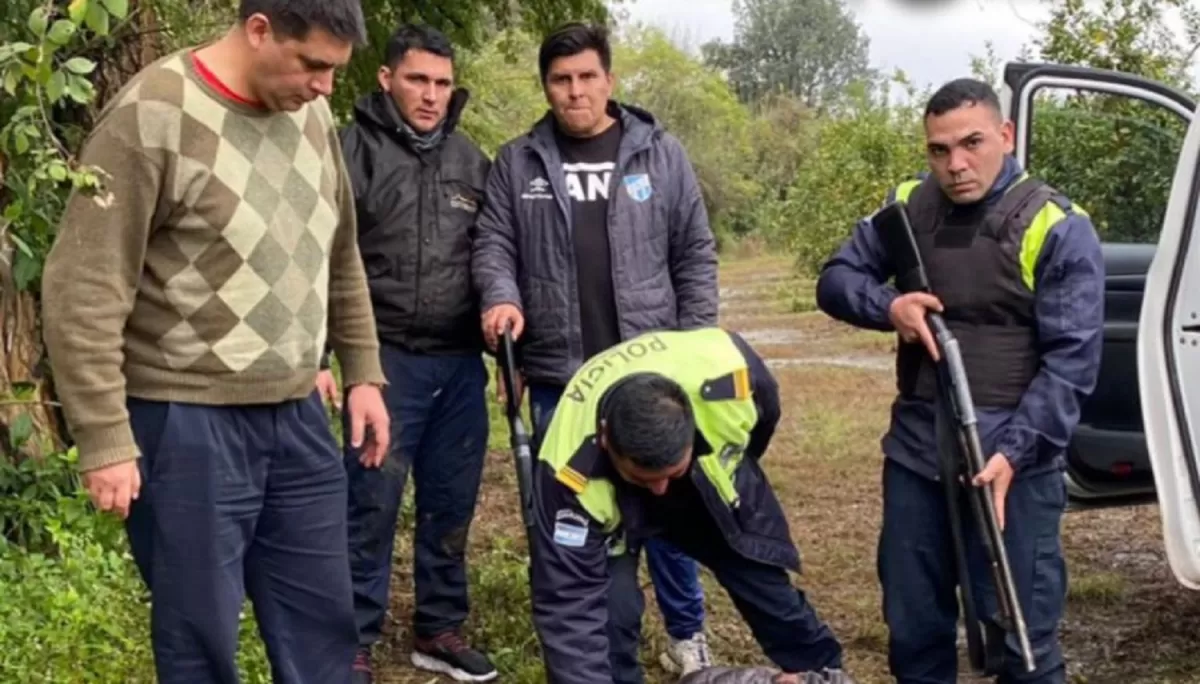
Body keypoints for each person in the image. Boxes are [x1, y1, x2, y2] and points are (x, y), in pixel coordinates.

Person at [40, 2, 391, 683]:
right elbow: (83, 290)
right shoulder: (152, 116)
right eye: (313, 64)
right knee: (197, 634)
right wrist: (105, 437)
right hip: (184, 418)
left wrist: (365, 373)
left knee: (324, 623)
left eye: (334, 70)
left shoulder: (312, 115)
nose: (324, 86)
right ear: (258, 29)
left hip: (297, 414)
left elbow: (339, 253)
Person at [815, 78, 1104, 684]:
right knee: (915, 630)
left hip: (1009, 466)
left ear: (1006, 135)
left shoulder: (1056, 224)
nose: (956, 164)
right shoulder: (907, 207)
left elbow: (1071, 366)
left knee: (1022, 639)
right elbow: (837, 278)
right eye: (939, 150)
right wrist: (887, 306)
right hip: (919, 453)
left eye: (972, 143)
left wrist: (1014, 455)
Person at [471, 22, 721, 675]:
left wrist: (694, 348)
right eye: (561, 80)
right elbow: (494, 246)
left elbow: (694, 253)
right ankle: (597, 642)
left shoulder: (661, 156)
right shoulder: (517, 161)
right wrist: (502, 300)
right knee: (578, 521)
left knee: (669, 507)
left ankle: (687, 632)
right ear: (546, 86)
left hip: (652, 376)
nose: (574, 92)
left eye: (586, 77)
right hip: (561, 379)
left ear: (609, 80)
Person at [315, 23, 496, 684]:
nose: (430, 95)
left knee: (452, 503)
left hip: (460, 367)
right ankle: (352, 638)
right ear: (386, 78)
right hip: (383, 365)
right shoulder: (347, 153)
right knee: (368, 505)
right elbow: (317, 262)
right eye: (417, 79)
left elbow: (498, 260)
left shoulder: (475, 162)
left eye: (443, 83)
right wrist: (319, 357)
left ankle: (439, 629)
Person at [526, 327, 851, 684]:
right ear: (605, 438)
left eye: (669, 474)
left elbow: (763, 421)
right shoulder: (566, 472)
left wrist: (713, 477)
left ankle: (824, 673)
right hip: (613, 510)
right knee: (610, 616)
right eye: (644, 478)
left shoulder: (730, 377)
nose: (659, 490)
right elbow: (568, 604)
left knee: (763, 584)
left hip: (698, 483)